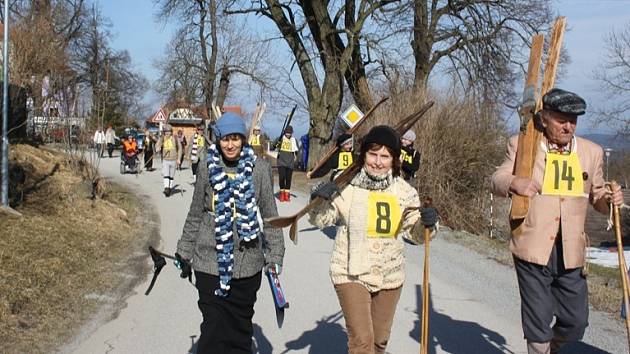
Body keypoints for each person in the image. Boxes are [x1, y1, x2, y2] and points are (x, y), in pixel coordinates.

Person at [490, 88, 626, 354]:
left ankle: (551, 347)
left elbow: (596, 197)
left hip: (571, 251)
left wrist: (610, 199)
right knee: (538, 325)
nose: (568, 127)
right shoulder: (523, 145)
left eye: (573, 121)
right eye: (561, 120)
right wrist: (515, 182)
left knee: (576, 322)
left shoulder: (591, 152)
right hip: (532, 246)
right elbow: (496, 178)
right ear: (544, 118)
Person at [308, 125, 436, 354]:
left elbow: (415, 234)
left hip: (390, 275)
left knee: (379, 342)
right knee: (362, 342)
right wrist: (319, 200)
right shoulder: (346, 185)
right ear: (363, 154)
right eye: (373, 154)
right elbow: (322, 220)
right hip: (350, 271)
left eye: (385, 156)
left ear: (394, 160)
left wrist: (428, 223)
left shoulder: (404, 192)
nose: (378, 162)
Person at [176, 112, 285, 353]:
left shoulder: (259, 169)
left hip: (248, 263)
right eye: (225, 138)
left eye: (236, 138)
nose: (230, 144)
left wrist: (275, 255)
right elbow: (196, 212)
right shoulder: (207, 165)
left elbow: (270, 216)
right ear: (218, 139)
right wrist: (184, 251)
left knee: (239, 331)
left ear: (243, 139)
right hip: (208, 260)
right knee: (213, 327)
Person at [155, 124, 182, 197]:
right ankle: (166, 188)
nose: (167, 133)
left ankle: (169, 187)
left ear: (171, 132)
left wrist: (179, 159)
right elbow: (157, 145)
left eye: (169, 132)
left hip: (174, 159)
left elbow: (180, 148)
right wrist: (157, 148)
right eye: (166, 132)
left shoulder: (175, 138)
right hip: (165, 159)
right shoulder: (162, 138)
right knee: (166, 174)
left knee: (171, 175)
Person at [274, 125, 298, 202]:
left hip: (290, 162)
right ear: (284, 132)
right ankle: (282, 194)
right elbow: (273, 146)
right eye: (287, 133)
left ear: (292, 133)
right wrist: (276, 144)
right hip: (281, 161)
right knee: (282, 177)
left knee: (288, 179)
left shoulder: (294, 140)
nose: (288, 134)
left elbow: (296, 151)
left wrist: (296, 156)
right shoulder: (280, 139)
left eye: (290, 133)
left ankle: (287, 195)